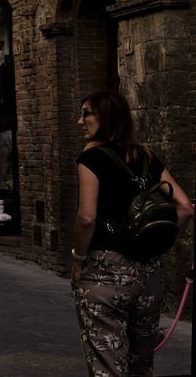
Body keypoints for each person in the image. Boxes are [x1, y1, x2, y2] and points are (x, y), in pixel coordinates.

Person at [71, 90, 192, 377]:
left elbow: (86, 218)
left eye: (86, 113)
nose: (80, 121)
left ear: (106, 117)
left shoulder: (91, 158)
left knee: (107, 364)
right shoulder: (145, 156)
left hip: (106, 271)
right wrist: (152, 241)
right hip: (150, 273)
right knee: (141, 364)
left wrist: (78, 259)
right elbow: (186, 207)